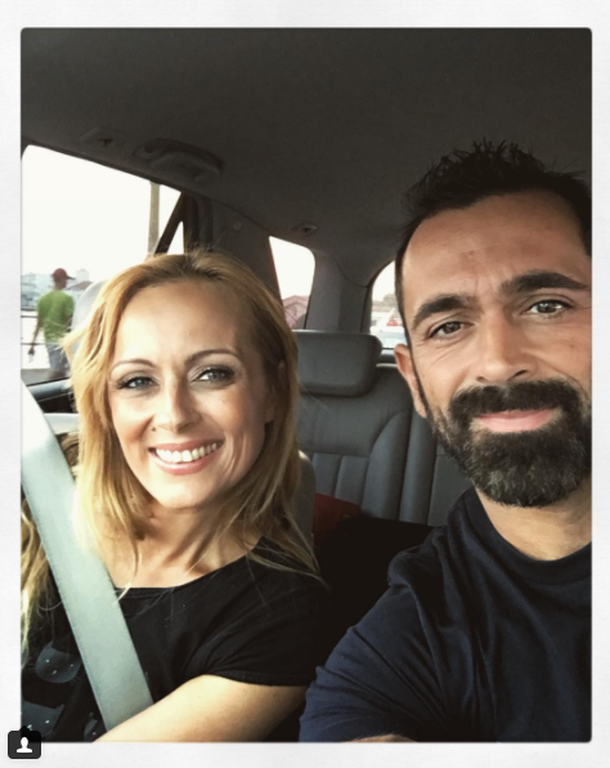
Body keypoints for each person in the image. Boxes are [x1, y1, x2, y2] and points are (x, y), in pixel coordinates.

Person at [300, 140, 591, 742]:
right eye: (449, 325)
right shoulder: (405, 642)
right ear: (412, 379)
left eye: (547, 305)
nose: (498, 362)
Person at [21, 251, 328, 742]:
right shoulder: (31, 499)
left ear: (271, 391)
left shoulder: (282, 618)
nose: (175, 415)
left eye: (213, 373)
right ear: (104, 403)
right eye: (137, 381)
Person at [28, 267, 75, 378]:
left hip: (48, 341)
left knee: (60, 371)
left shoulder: (43, 299)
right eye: (66, 279)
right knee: (57, 373)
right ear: (62, 279)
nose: (67, 282)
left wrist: (32, 345)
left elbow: (38, 324)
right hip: (62, 341)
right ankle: (45, 386)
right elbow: (70, 322)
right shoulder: (67, 298)